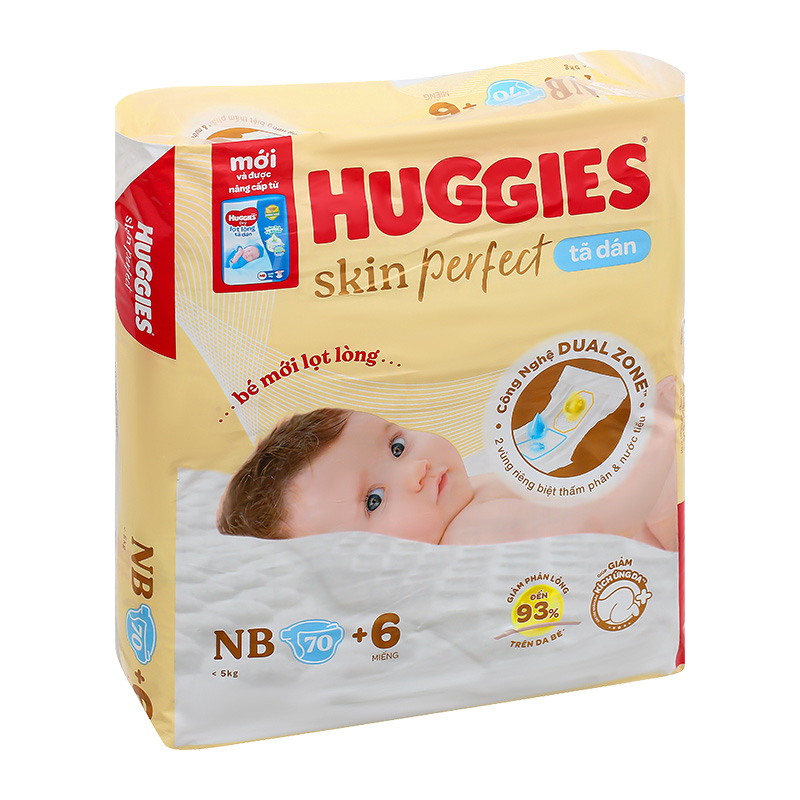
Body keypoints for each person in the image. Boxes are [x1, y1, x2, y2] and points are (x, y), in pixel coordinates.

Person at [217, 377, 678, 550]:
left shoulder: (464, 496)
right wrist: (657, 432)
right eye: (373, 500)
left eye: (397, 446)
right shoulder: (471, 534)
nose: (415, 469)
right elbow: (602, 522)